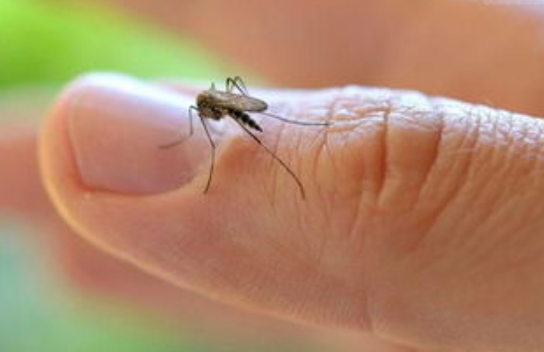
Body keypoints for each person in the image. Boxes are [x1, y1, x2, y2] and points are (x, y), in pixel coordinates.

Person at [3, 0, 544, 351]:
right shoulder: (208, 105)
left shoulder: (217, 104)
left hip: (255, 107)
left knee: (242, 128)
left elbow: (223, 110)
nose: (206, 114)